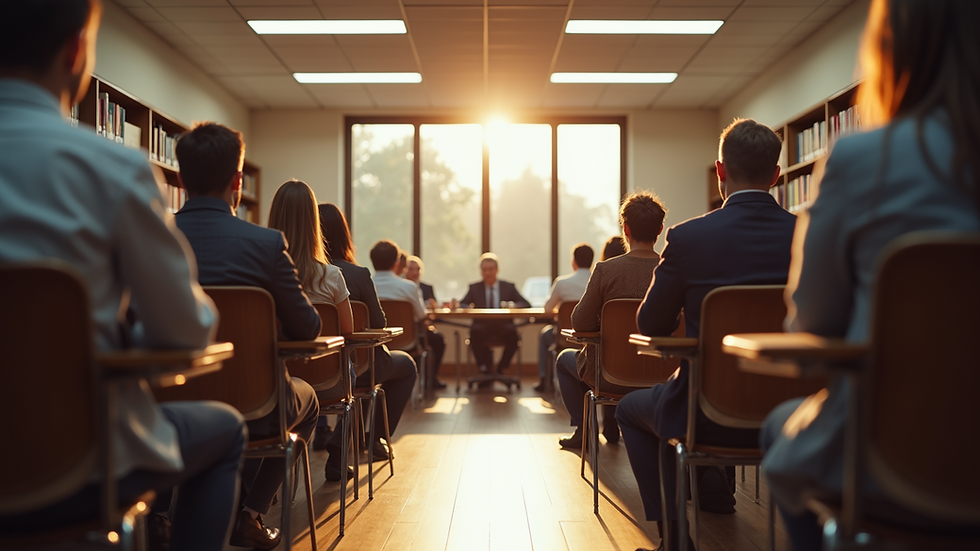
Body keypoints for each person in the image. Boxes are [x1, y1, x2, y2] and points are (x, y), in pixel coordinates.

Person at [0, 2, 247, 549]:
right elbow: (185, 332)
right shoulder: (111, 168)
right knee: (227, 430)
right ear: (75, 50)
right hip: (78, 463)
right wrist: (118, 336)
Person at [761, 2, 980, 549]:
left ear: (892, 47)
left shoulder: (862, 159)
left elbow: (811, 324)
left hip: (899, 457)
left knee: (780, 425)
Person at [618, 118, 795, 551]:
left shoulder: (688, 237)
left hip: (704, 415)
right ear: (776, 175)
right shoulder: (807, 236)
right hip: (793, 415)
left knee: (629, 410)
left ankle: (676, 539)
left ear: (720, 172)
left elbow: (650, 326)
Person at [174, 122, 321, 550]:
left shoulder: (154, 236)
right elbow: (308, 328)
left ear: (181, 180)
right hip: (257, 408)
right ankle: (252, 514)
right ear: (238, 182)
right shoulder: (265, 243)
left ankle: (162, 516)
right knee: (307, 403)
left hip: (172, 402)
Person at [556, 193, 666, 450]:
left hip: (609, 375)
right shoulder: (671, 268)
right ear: (660, 229)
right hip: (662, 375)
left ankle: (584, 431)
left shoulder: (606, 270)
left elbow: (580, 322)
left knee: (564, 360)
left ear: (625, 228)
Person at [318, 203, 417, 479]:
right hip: (355, 366)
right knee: (404, 366)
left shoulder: (294, 272)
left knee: (357, 374)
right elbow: (378, 323)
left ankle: (341, 443)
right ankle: (375, 438)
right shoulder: (357, 274)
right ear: (343, 234)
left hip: (307, 366)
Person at [460, 253, 531, 381]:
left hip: (504, 328)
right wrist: (466, 307)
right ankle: (484, 368)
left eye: (491, 269)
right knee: (474, 333)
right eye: (484, 270)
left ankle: (501, 368)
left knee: (513, 334)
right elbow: (462, 304)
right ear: (481, 271)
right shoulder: (474, 288)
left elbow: (526, 303)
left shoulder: (508, 287)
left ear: (497, 270)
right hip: (482, 328)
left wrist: (513, 306)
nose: (488, 273)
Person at [535, 243, 595, 393]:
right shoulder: (596, 281)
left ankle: (544, 380)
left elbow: (547, 309)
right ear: (592, 261)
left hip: (564, 337)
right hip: (592, 338)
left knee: (544, 335)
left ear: (573, 261)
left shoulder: (562, 283)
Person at [396, 253, 448, 390]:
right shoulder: (404, 286)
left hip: (419, 329)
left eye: (417, 269)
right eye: (411, 269)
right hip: (408, 330)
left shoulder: (427, 288)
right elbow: (421, 315)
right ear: (404, 269)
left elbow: (433, 310)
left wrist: (433, 307)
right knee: (431, 341)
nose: (415, 272)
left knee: (438, 340)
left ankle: (432, 378)